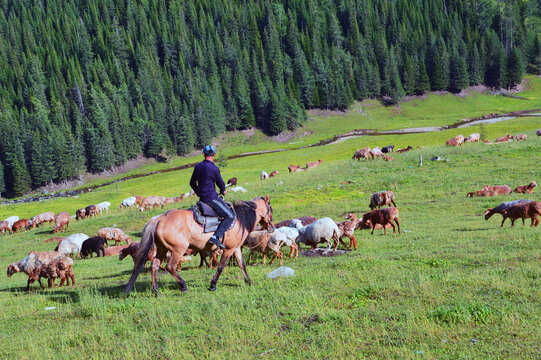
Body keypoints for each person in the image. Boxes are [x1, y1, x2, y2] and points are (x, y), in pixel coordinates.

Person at [189, 145, 233, 249]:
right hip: (211, 199)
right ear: (214, 155)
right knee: (229, 216)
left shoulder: (198, 166)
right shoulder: (214, 168)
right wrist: (223, 191)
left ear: (203, 154)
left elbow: (192, 182)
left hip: (202, 198)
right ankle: (215, 236)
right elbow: (221, 184)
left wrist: (198, 192)